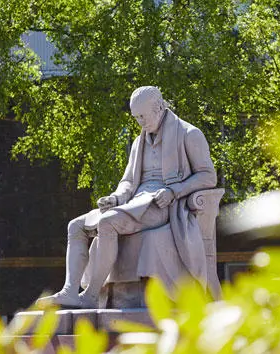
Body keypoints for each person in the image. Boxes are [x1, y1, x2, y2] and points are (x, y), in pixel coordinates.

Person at [38, 86, 217, 308]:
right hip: (135, 202)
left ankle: (91, 295)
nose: (140, 122)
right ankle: (70, 291)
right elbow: (129, 182)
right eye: (136, 117)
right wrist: (115, 198)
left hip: (163, 205)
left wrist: (175, 190)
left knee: (107, 223)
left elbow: (209, 176)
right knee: (75, 226)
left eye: (143, 116)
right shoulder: (138, 142)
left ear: (159, 107)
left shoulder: (189, 134)